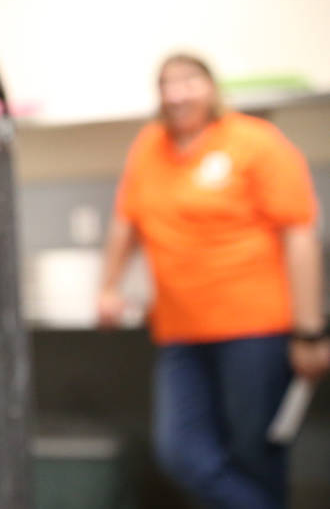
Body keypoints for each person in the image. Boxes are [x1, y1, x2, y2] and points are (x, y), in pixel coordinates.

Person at [98, 53, 330, 509]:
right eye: (168, 83)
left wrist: (308, 331)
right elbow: (125, 223)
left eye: (190, 80)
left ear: (212, 88)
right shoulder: (149, 146)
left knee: (255, 454)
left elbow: (300, 236)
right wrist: (109, 286)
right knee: (181, 453)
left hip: (254, 330)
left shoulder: (255, 141)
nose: (178, 92)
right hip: (179, 331)